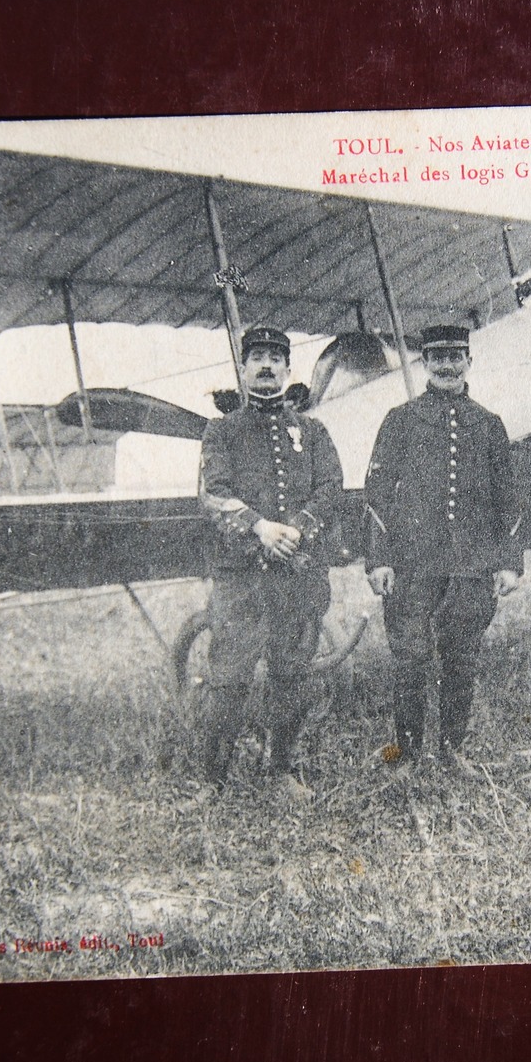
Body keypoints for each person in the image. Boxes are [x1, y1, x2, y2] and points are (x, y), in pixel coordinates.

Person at [364, 324, 522, 767]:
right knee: (410, 659)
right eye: (438, 357)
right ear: (425, 363)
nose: (448, 365)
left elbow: (509, 499)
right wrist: (378, 558)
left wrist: (509, 563)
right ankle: (409, 752)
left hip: (471, 567)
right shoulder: (401, 420)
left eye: (456, 356)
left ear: (469, 361)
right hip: (414, 565)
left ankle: (453, 750)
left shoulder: (488, 425)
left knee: (462, 660)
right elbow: (375, 493)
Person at [196, 325, 344, 784]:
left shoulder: (312, 431)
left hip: (297, 576)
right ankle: (215, 780)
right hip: (241, 579)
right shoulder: (221, 432)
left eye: (274, 358)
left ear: (286, 368)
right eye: (256, 357)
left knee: (292, 676)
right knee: (228, 680)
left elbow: (330, 488)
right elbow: (213, 493)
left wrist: (297, 530)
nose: (265, 365)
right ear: (242, 370)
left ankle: (280, 770)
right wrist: (259, 528)